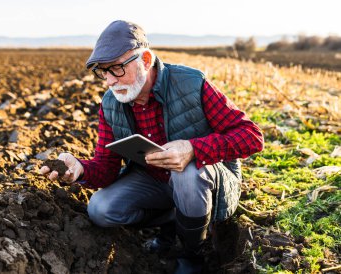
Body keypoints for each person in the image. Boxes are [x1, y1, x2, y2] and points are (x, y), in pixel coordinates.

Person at [40, 20, 264, 274]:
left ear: (145, 60)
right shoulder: (111, 104)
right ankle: (172, 220)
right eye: (103, 72)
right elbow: (106, 168)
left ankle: (193, 253)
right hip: (155, 182)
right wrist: (80, 169)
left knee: (187, 175)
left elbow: (252, 136)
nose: (110, 81)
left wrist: (193, 149)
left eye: (117, 68)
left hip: (206, 182)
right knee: (101, 209)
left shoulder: (191, 84)